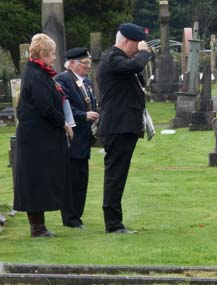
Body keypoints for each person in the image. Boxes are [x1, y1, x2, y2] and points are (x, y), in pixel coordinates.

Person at [14, 33, 73, 237]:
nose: (54, 58)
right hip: (36, 138)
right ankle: (37, 227)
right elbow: (45, 106)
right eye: (51, 54)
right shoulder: (36, 75)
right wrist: (64, 124)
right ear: (42, 53)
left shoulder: (38, 73)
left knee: (40, 178)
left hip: (40, 136)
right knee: (36, 179)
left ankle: (39, 226)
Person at [97, 23, 152, 234]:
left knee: (119, 175)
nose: (138, 48)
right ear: (125, 41)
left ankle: (114, 222)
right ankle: (113, 224)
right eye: (136, 44)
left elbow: (138, 78)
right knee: (115, 176)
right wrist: (144, 54)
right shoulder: (112, 57)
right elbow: (133, 68)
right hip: (117, 127)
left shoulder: (122, 58)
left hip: (124, 126)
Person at [55, 47, 99, 229]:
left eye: (89, 63)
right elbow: (62, 107)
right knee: (72, 180)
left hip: (84, 138)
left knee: (82, 180)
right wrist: (83, 115)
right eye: (84, 63)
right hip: (72, 138)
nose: (88, 66)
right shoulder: (63, 80)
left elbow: (91, 102)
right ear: (72, 63)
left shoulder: (86, 82)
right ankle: (70, 218)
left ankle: (77, 216)